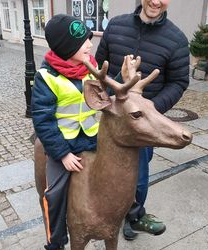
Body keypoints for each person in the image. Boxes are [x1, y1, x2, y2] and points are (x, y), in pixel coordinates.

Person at [95, 0, 190, 240]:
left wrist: (149, 109)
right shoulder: (115, 26)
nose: (156, 1)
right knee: (105, 168)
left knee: (137, 174)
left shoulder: (177, 39)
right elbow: (99, 68)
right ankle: (106, 209)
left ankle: (133, 216)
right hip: (113, 120)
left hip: (144, 125)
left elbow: (179, 82)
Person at [31, 14, 100, 250]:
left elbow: (105, 92)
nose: (90, 45)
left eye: (89, 39)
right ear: (66, 47)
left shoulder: (92, 66)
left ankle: (129, 211)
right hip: (64, 144)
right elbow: (43, 120)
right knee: (55, 194)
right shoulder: (47, 78)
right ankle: (56, 240)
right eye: (84, 42)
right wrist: (61, 154)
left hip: (92, 136)